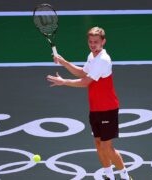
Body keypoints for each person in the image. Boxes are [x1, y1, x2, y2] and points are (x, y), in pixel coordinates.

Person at [47, 27, 132, 180]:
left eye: (96, 42)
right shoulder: (92, 56)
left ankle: (125, 177)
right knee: (99, 144)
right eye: (90, 42)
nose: (93, 45)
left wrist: (63, 82)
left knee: (107, 147)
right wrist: (64, 62)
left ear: (103, 42)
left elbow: (86, 82)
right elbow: (83, 72)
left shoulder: (103, 59)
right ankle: (109, 176)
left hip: (107, 108)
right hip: (95, 108)